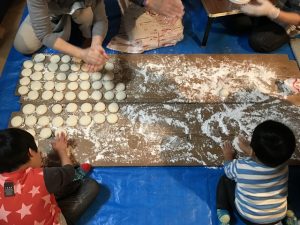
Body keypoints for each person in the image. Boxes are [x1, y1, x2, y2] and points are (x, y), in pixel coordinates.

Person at [0, 128, 100, 225]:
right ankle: (75, 180)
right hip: (54, 219)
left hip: (33, 209)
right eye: (37, 151)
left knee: (41, 189)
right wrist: (61, 150)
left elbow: (10, 194)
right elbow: (69, 171)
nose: (40, 153)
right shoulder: (41, 177)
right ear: (30, 152)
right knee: (91, 185)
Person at [216, 120, 298, 225]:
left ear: (253, 149)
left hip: (249, 218)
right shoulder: (284, 167)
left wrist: (228, 156)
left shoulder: (242, 166)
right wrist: (252, 152)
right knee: (281, 191)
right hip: (278, 217)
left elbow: (228, 171)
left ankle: (223, 212)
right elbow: (268, 158)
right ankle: (289, 214)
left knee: (225, 179)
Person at [14, 0, 109, 72]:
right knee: (23, 46)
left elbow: (100, 19)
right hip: (50, 11)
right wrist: (81, 53)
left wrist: (96, 44)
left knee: (86, 15)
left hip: (80, 8)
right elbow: (44, 34)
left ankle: (83, 29)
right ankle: (64, 24)